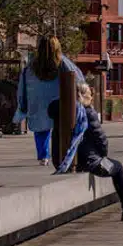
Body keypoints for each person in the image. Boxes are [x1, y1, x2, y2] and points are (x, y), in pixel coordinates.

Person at [56, 83, 123, 222]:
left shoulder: (64, 110)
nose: (92, 97)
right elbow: (101, 138)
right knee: (118, 167)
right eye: (90, 95)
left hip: (65, 161)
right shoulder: (88, 113)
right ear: (85, 97)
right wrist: (103, 155)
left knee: (115, 166)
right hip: (89, 161)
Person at [13, 35, 85, 166]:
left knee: (40, 129)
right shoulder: (63, 63)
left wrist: (22, 103)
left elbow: (22, 85)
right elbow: (78, 79)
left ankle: (43, 156)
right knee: (59, 129)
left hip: (37, 102)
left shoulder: (31, 66)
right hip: (57, 102)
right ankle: (60, 154)